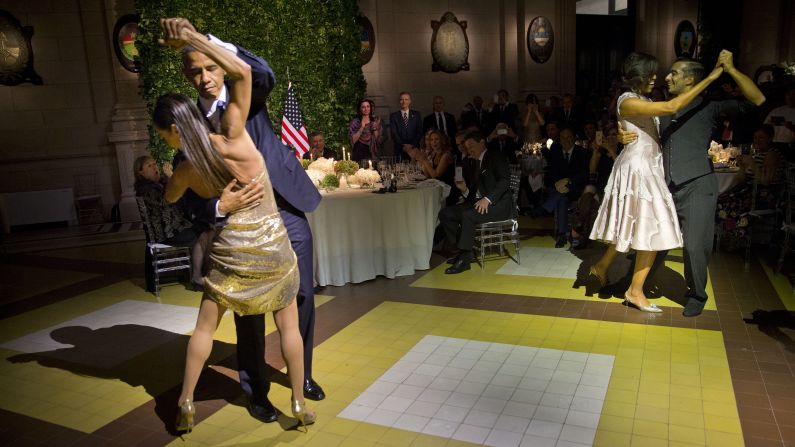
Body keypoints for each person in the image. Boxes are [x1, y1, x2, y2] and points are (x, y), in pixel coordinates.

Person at [155, 18, 316, 432]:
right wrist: (218, 206)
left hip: (286, 211)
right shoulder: (209, 127)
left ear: (218, 62)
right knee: (252, 318)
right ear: (187, 77)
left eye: (211, 66)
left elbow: (258, 71)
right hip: (244, 231)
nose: (206, 77)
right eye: (195, 71)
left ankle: (303, 378)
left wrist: (197, 38)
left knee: (301, 298)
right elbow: (190, 205)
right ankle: (258, 391)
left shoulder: (240, 102)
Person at [615, 50, 764, 316]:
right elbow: (635, 123)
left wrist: (730, 70)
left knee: (695, 245)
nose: (667, 77)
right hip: (665, 185)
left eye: (674, 73)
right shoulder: (662, 107)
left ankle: (697, 294)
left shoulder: (712, 106)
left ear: (690, 80)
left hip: (697, 184)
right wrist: (620, 133)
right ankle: (634, 286)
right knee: (651, 239)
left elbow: (757, 99)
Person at [588, 52, 726, 312]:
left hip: (647, 166)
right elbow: (671, 108)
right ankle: (634, 290)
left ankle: (605, 269)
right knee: (651, 228)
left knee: (634, 226)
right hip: (639, 169)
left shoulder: (640, 99)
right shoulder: (628, 100)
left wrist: (620, 133)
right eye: (650, 73)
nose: (656, 78)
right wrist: (711, 77)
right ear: (638, 74)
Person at [134, 155, 214, 288]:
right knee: (203, 235)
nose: (155, 167)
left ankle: (199, 273)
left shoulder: (155, 186)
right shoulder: (146, 189)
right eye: (150, 165)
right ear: (140, 172)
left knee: (205, 229)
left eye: (155, 163)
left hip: (174, 229)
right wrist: (172, 178)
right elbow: (168, 200)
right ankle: (197, 277)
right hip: (168, 233)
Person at [439, 131, 512, 274]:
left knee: (468, 215)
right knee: (446, 213)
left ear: (482, 143)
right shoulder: (473, 162)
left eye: (471, 146)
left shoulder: (495, 157)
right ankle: (463, 251)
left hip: (498, 205)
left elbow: (505, 181)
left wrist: (488, 199)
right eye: (467, 147)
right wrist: (464, 189)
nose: (469, 150)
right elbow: (474, 193)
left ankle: (465, 258)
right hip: (478, 203)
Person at [716, 124, 784, 250]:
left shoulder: (771, 155)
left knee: (731, 204)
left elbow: (766, 181)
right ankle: (729, 238)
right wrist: (742, 165)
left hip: (765, 195)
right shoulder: (757, 154)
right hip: (751, 191)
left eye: (761, 137)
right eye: (755, 138)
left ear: (770, 138)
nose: (757, 140)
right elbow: (743, 179)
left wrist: (752, 163)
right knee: (721, 199)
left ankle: (737, 239)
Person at [543, 127, 591, 248]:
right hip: (561, 190)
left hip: (576, 189)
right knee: (562, 200)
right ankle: (562, 235)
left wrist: (569, 181)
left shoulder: (582, 152)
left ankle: (543, 209)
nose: (566, 140)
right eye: (563, 137)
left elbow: (585, 175)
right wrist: (557, 184)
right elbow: (551, 173)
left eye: (569, 137)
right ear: (559, 140)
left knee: (561, 196)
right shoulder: (556, 152)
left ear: (574, 138)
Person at [407, 128, 456, 204]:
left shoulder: (446, 155)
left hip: (447, 191)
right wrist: (420, 160)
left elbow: (436, 176)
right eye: (431, 140)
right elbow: (429, 176)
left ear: (442, 140)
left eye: (436, 139)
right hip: (437, 188)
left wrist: (424, 161)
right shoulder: (434, 154)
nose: (434, 142)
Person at [389, 92, 423, 161]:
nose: (404, 101)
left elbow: (420, 131)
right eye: (402, 99)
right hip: (400, 150)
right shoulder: (394, 116)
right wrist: (404, 146)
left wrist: (411, 145)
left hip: (414, 150)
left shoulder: (416, 115)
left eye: (406, 99)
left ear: (410, 101)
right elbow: (394, 134)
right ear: (399, 101)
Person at [349, 98, 381, 162]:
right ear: (360, 109)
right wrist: (361, 128)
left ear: (370, 108)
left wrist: (374, 128)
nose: (366, 109)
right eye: (363, 107)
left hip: (372, 152)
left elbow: (378, 139)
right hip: (358, 151)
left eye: (368, 106)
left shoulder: (375, 121)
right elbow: (353, 140)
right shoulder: (355, 122)